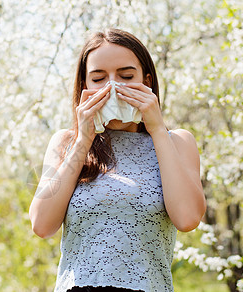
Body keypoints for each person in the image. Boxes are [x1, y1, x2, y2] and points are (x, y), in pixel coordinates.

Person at [28, 28, 206, 292]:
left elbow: (188, 218)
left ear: (146, 81)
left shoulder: (177, 142)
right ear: (85, 86)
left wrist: (157, 129)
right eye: (99, 78)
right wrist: (83, 140)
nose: (113, 87)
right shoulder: (66, 143)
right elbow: (42, 224)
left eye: (126, 76)